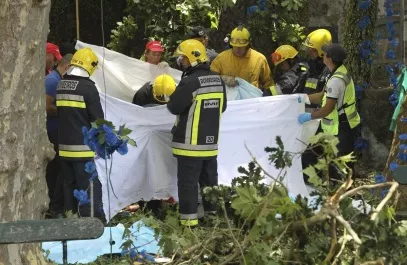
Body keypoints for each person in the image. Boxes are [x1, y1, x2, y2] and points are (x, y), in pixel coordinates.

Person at [167, 39, 227, 227]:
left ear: (193, 59)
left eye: (183, 59)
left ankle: (189, 226)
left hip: (189, 145)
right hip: (210, 146)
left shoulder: (190, 82)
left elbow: (173, 107)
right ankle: (213, 222)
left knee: (188, 185)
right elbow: (222, 107)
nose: (181, 62)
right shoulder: (218, 80)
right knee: (210, 185)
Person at [298, 44, 360, 180]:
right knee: (311, 153)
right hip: (333, 125)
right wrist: (304, 98)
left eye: (325, 53)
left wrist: (309, 116)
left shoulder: (336, 80)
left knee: (341, 164)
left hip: (343, 126)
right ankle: (315, 183)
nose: (323, 55)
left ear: (330, 59)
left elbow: (327, 109)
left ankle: (345, 193)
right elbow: (321, 95)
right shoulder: (336, 72)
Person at [56, 48, 104, 218]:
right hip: (83, 149)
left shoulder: (61, 84)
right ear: (90, 66)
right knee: (87, 189)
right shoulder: (88, 88)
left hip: (63, 148)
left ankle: (70, 222)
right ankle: (90, 225)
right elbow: (98, 120)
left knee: (69, 187)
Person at [45, 53, 73, 218]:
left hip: (58, 131)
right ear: (68, 66)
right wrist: (64, 109)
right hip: (52, 132)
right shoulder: (52, 81)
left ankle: (55, 205)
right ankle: (53, 206)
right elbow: (47, 106)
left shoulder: (58, 80)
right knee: (55, 170)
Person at [210, 25, 273, 90]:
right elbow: (209, 78)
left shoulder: (259, 59)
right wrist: (223, 78)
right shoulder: (221, 58)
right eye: (235, 46)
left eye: (241, 47)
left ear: (248, 44)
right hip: (229, 98)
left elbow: (268, 83)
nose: (237, 50)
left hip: (252, 98)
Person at [302, 29, 332, 112]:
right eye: (308, 49)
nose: (308, 52)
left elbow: (322, 97)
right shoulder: (311, 68)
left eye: (312, 50)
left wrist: (301, 99)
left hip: (320, 118)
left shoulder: (329, 71)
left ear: (321, 52)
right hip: (308, 118)